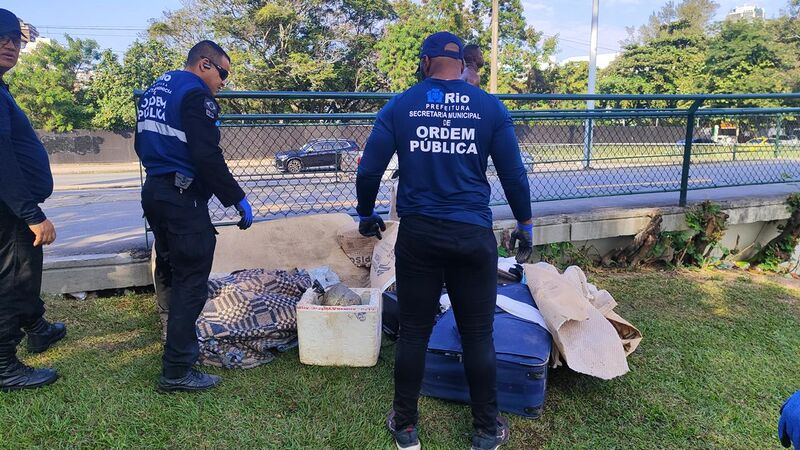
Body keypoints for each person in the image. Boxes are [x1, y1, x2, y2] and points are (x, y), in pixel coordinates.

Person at [356, 31, 534, 450]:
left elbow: (368, 171)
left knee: (415, 332)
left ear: (424, 62)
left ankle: (405, 427)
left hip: (419, 235)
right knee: (477, 334)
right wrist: (525, 224)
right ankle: (486, 431)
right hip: (472, 235)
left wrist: (367, 214)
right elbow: (513, 175)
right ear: (462, 65)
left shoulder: (400, 105)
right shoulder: (489, 107)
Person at [135, 40, 254, 392]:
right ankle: (177, 370)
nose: (223, 83)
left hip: (155, 189)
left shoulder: (160, 86)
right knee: (192, 282)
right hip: (181, 197)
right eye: (223, 74)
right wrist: (237, 198)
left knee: (172, 268)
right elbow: (206, 155)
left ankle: (174, 340)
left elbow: (143, 143)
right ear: (205, 64)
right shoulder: (196, 95)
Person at [0, 8, 66, 392]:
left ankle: (37, 328)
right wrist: (31, 214)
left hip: (13, 207)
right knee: (13, 280)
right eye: (2, 38)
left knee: (27, 269)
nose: (11, 45)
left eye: (15, 38)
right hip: (10, 209)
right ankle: (5, 365)